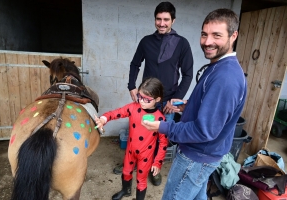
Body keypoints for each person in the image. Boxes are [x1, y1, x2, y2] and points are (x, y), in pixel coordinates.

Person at [142, 8, 247, 200]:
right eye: (204, 34)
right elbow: (212, 110)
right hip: (206, 155)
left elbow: (204, 131)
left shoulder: (226, 77)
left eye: (217, 35)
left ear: (233, 36)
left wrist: (163, 126)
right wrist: (187, 106)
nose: (208, 42)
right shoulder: (218, 66)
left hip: (196, 157)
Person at [114, 1, 194, 186]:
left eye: (166, 19)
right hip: (145, 99)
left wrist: (174, 101)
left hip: (167, 102)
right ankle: (132, 164)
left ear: (173, 20)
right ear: (155, 20)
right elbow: (135, 64)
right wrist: (132, 86)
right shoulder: (146, 41)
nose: (162, 23)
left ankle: (154, 169)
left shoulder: (182, 44)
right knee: (138, 132)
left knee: (160, 138)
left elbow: (188, 74)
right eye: (159, 19)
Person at [95, 77, 168, 200]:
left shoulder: (160, 119)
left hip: (146, 155)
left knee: (141, 179)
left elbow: (163, 143)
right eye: (140, 96)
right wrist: (103, 119)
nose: (142, 101)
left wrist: (157, 162)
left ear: (157, 99)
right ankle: (126, 190)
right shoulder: (133, 107)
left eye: (147, 99)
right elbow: (116, 112)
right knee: (126, 172)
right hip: (130, 150)